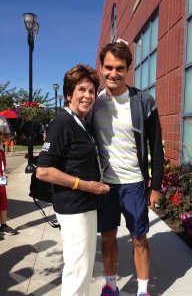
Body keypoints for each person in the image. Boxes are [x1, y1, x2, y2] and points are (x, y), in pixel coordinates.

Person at [92, 40, 164, 296]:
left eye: (119, 68)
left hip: (134, 183)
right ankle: (111, 286)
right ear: (101, 68)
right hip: (104, 185)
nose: (113, 73)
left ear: (127, 70)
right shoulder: (93, 102)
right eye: (108, 67)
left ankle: (142, 290)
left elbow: (156, 146)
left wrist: (155, 187)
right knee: (108, 238)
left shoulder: (142, 100)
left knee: (139, 239)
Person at [36, 64, 110, 296]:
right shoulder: (62, 123)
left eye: (91, 91)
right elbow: (43, 171)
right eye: (81, 90)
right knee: (78, 269)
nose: (87, 96)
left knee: (84, 268)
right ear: (69, 94)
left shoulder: (81, 123)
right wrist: (86, 185)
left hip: (85, 205)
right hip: (74, 207)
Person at [0, 131, 17, 236]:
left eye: (1, 139)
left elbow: (3, 167)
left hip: (1, 183)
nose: (1, 141)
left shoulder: (1, 153)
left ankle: (3, 225)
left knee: (3, 204)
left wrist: (4, 174)